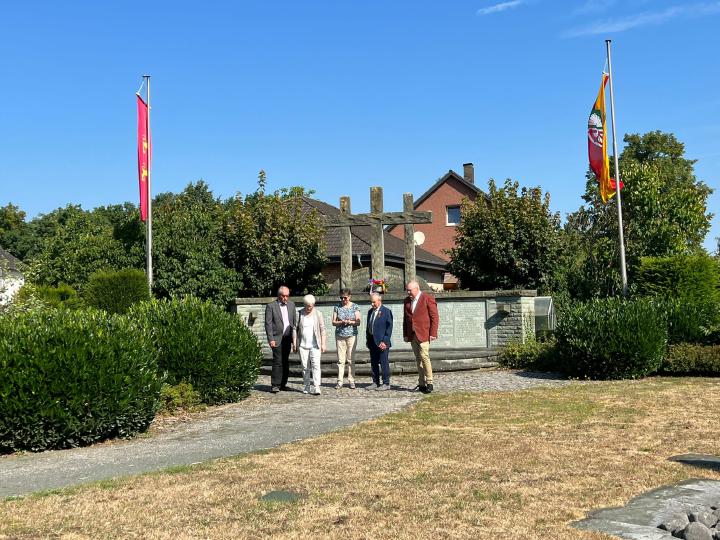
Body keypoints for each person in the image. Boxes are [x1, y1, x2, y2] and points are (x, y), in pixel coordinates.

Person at [403, 280, 439, 394]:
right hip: (413, 334)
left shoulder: (427, 298)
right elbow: (406, 319)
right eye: (407, 290)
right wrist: (405, 334)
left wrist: (433, 333)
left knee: (424, 357)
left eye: (410, 290)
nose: (408, 292)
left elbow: (434, 317)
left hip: (424, 333)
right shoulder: (407, 301)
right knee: (418, 359)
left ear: (417, 289)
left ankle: (430, 382)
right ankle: (421, 383)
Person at [264, 285, 297, 393]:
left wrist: (294, 339)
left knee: (285, 361)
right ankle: (275, 385)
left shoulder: (292, 305)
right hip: (276, 338)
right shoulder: (271, 306)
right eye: (283, 296)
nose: (285, 298)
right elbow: (268, 324)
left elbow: (294, 323)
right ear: (279, 295)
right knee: (277, 361)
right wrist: (271, 339)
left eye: (287, 296)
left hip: (287, 338)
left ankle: (283, 384)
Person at [294, 294, 327, 395]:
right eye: (308, 306)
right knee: (305, 366)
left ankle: (317, 386)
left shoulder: (318, 314)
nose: (309, 308)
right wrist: (294, 343)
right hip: (303, 344)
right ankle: (306, 385)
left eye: (311, 306)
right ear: (304, 304)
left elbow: (322, 329)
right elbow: (294, 329)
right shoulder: (299, 313)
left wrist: (323, 343)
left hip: (315, 344)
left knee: (316, 365)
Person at [332, 288, 361, 389]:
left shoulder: (355, 306)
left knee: (350, 359)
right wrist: (341, 322)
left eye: (345, 298)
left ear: (349, 297)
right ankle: (340, 381)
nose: (343, 300)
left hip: (351, 336)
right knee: (340, 360)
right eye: (341, 298)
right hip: (340, 336)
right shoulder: (337, 307)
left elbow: (358, 322)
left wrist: (350, 322)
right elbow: (333, 322)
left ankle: (351, 380)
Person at [365, 292, 393, 391]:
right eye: (371, 302)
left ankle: (386, 383)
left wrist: (385, 341)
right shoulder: (370, 312)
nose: (372, 304)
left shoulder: (386, 311)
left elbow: (389, 328)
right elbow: (368, 326)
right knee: (374, 363)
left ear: (379, 300)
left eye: (374, 302)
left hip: (382, 343)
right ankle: (375, 382)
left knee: (384, 363)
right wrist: (368, 339)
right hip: (372, 341)